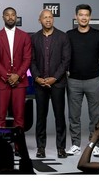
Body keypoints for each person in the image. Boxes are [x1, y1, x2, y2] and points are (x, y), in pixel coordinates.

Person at [66, 4, 99, 158]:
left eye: (86, 15)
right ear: (76, 17)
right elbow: (65, 58)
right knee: (74, 116)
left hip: (94, 79)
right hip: (74, 81)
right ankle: (75, 144)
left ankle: (94, 144)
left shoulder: (98, 35)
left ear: (90, 17)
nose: (83, 17)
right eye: (81, 14)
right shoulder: (69, 35)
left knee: (95, 116)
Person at [30, 9, 71, 158]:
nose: (48, 20)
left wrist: (54, 78)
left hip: (57, 83)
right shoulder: (34, 38)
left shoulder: (63, 37)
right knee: (41, 117)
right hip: (40, 83)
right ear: (39, 20)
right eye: (45, 17)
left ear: (53, 19)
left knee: (59, 117)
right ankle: (41, 147)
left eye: (50, 17)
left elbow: (66, 61)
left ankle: (61, 148)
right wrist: (37, 78)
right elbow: (31, 61)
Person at [0, 7, 32, 132]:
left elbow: (27, 59)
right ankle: (0, 145)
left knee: (19, 116)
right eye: (7, 15)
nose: (10, 17)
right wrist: (8, 77)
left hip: (20, 82)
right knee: (0, 116)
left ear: (16, 17)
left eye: (13, 15)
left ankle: (19, 147)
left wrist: (17, 75)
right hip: (2, 82)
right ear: (3, 17)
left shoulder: (24, 36)